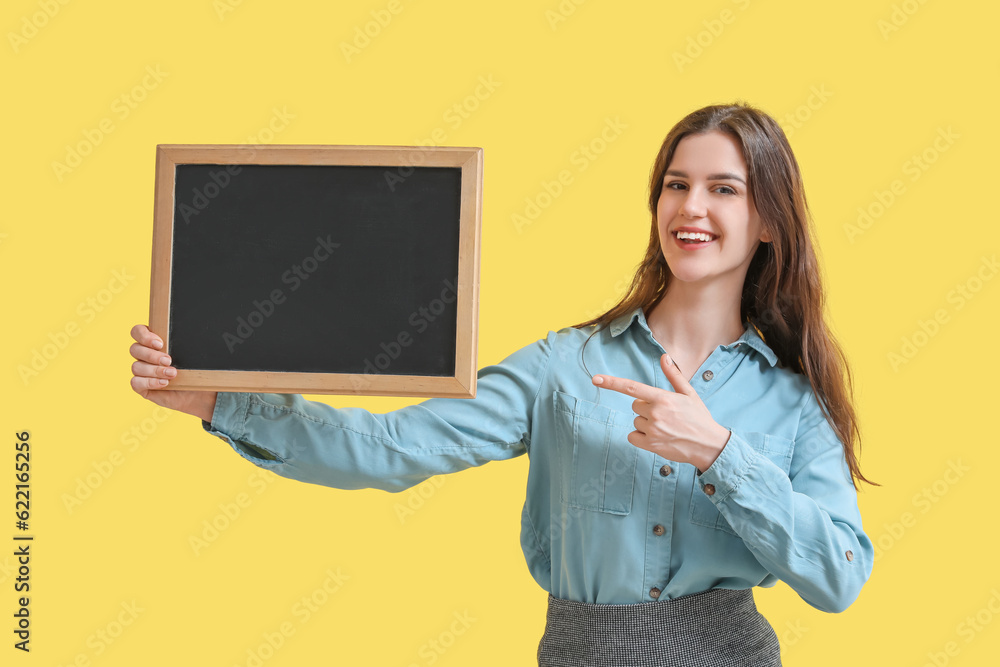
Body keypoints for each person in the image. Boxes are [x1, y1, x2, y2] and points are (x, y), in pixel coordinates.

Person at [129, 102, 875, 666]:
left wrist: (719, 453)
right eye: (676, 184)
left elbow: (839, 578)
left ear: (768, 220)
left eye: (725, 189)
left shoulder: (792, 401)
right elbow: (388, 446)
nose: (692, 207)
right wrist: (217, 399)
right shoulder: (562, 365)